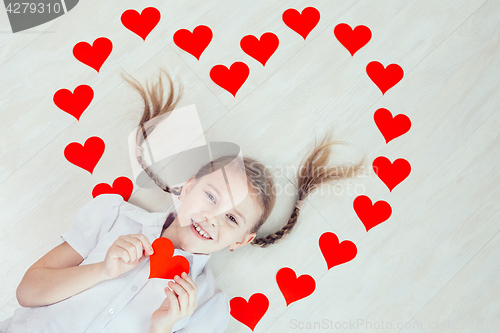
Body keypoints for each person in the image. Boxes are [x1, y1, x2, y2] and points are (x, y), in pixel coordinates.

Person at [0, 69, 366, 333]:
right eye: (211, 196)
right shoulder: (113, 217)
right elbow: (27, 292)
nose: (213, 219)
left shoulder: (207, 306)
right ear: (187, 188)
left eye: (233, 220)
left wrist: (163, 328)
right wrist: (103, 270)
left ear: (240, 242)